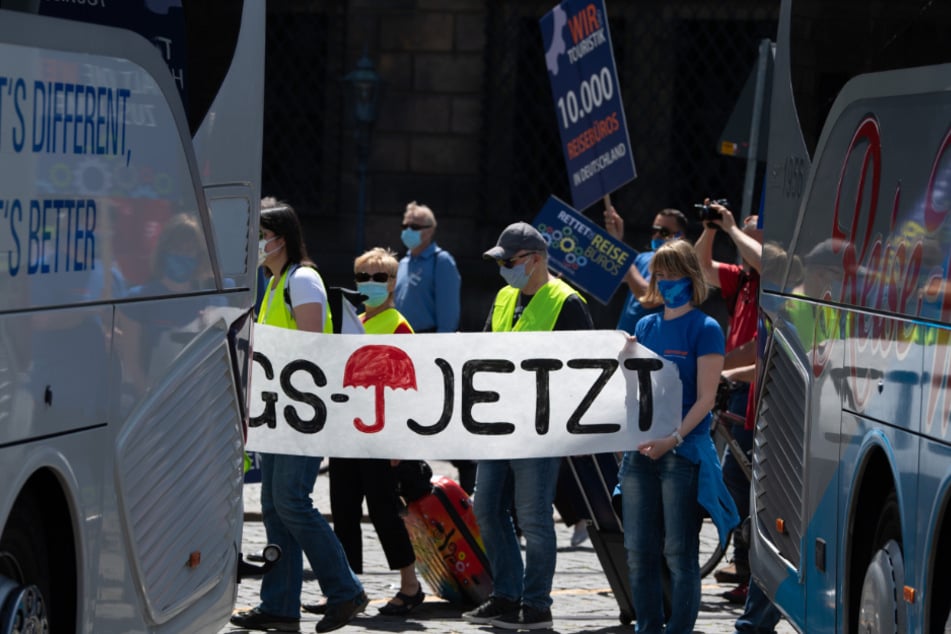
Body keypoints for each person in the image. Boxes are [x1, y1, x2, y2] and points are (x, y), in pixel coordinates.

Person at [231, 201, 368, 634]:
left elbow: (310, 347)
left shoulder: (302, 279)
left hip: (303, 414)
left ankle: (345, 590)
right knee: (274, 506)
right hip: (278, 412)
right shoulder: (272, 283)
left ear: (280, 238)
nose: (254, 243)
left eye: (260, 234)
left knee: (291, 501)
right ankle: (280, 605)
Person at [462, 221, 594, 631]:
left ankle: (536, 605)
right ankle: (506, 596)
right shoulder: (505, 296)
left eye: (509, 260)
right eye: (500, 261)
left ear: (535, 260)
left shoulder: (566, 301)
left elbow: (585, 365)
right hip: (500, 424)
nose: (503, 268)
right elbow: (485, 348)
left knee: (534, 517)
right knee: (486, 508)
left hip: (540, 427)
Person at [620, 238, 739, 634]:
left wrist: (673, 439)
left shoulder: (705, 328)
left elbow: (706, 398)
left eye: (674, 274)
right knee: (639, 551)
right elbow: (637, 392)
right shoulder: (644, 325)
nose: (667, 281)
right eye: (661, 274)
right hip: (641, 451)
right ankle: (648, 627)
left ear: (691, 278)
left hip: (682, 452)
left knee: (679, 552)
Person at [327, 247, 425, 616]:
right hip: (347, 432)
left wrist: (401, 439)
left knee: (384, 511)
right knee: (344, 510)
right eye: (363, 277)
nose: (370, 283)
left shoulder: (400, 326)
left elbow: (410, 387)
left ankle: (410, 586)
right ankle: (347, 588)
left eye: (378, 277)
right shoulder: (354, 320)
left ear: (393, 283)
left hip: (381, 438)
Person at [694, 200, 763, 604]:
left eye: (755, 232)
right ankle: (743, 565)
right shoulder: (744, 278)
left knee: (745, 481)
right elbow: (702, 267)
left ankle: (751, 569)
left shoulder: (777, 273)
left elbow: (758, 347)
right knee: (736, 479)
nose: (744, 239)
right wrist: (711, 230)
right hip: (737, 388)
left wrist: (735, 228)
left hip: (755, 387)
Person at [392, 201, 472, 491]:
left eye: (414, 227)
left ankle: (468, 477)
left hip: (429, 345)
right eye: (405, 226)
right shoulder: (402, 263)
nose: (408, 232)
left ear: (429, 231)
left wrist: (440, 352)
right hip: (404, 347)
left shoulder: (442, 262)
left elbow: (449, 313)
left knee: (440, 420)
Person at [604, 206, 688, 334]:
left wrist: (621, 252)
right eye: (655, 230)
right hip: (625, 341)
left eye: (664, 232)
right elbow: (607, 275)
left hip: (653, 346)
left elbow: (649, 299)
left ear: (679, 237)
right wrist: (614, 239)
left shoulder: (682, 268)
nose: (657, 235)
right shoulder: (643, 258)